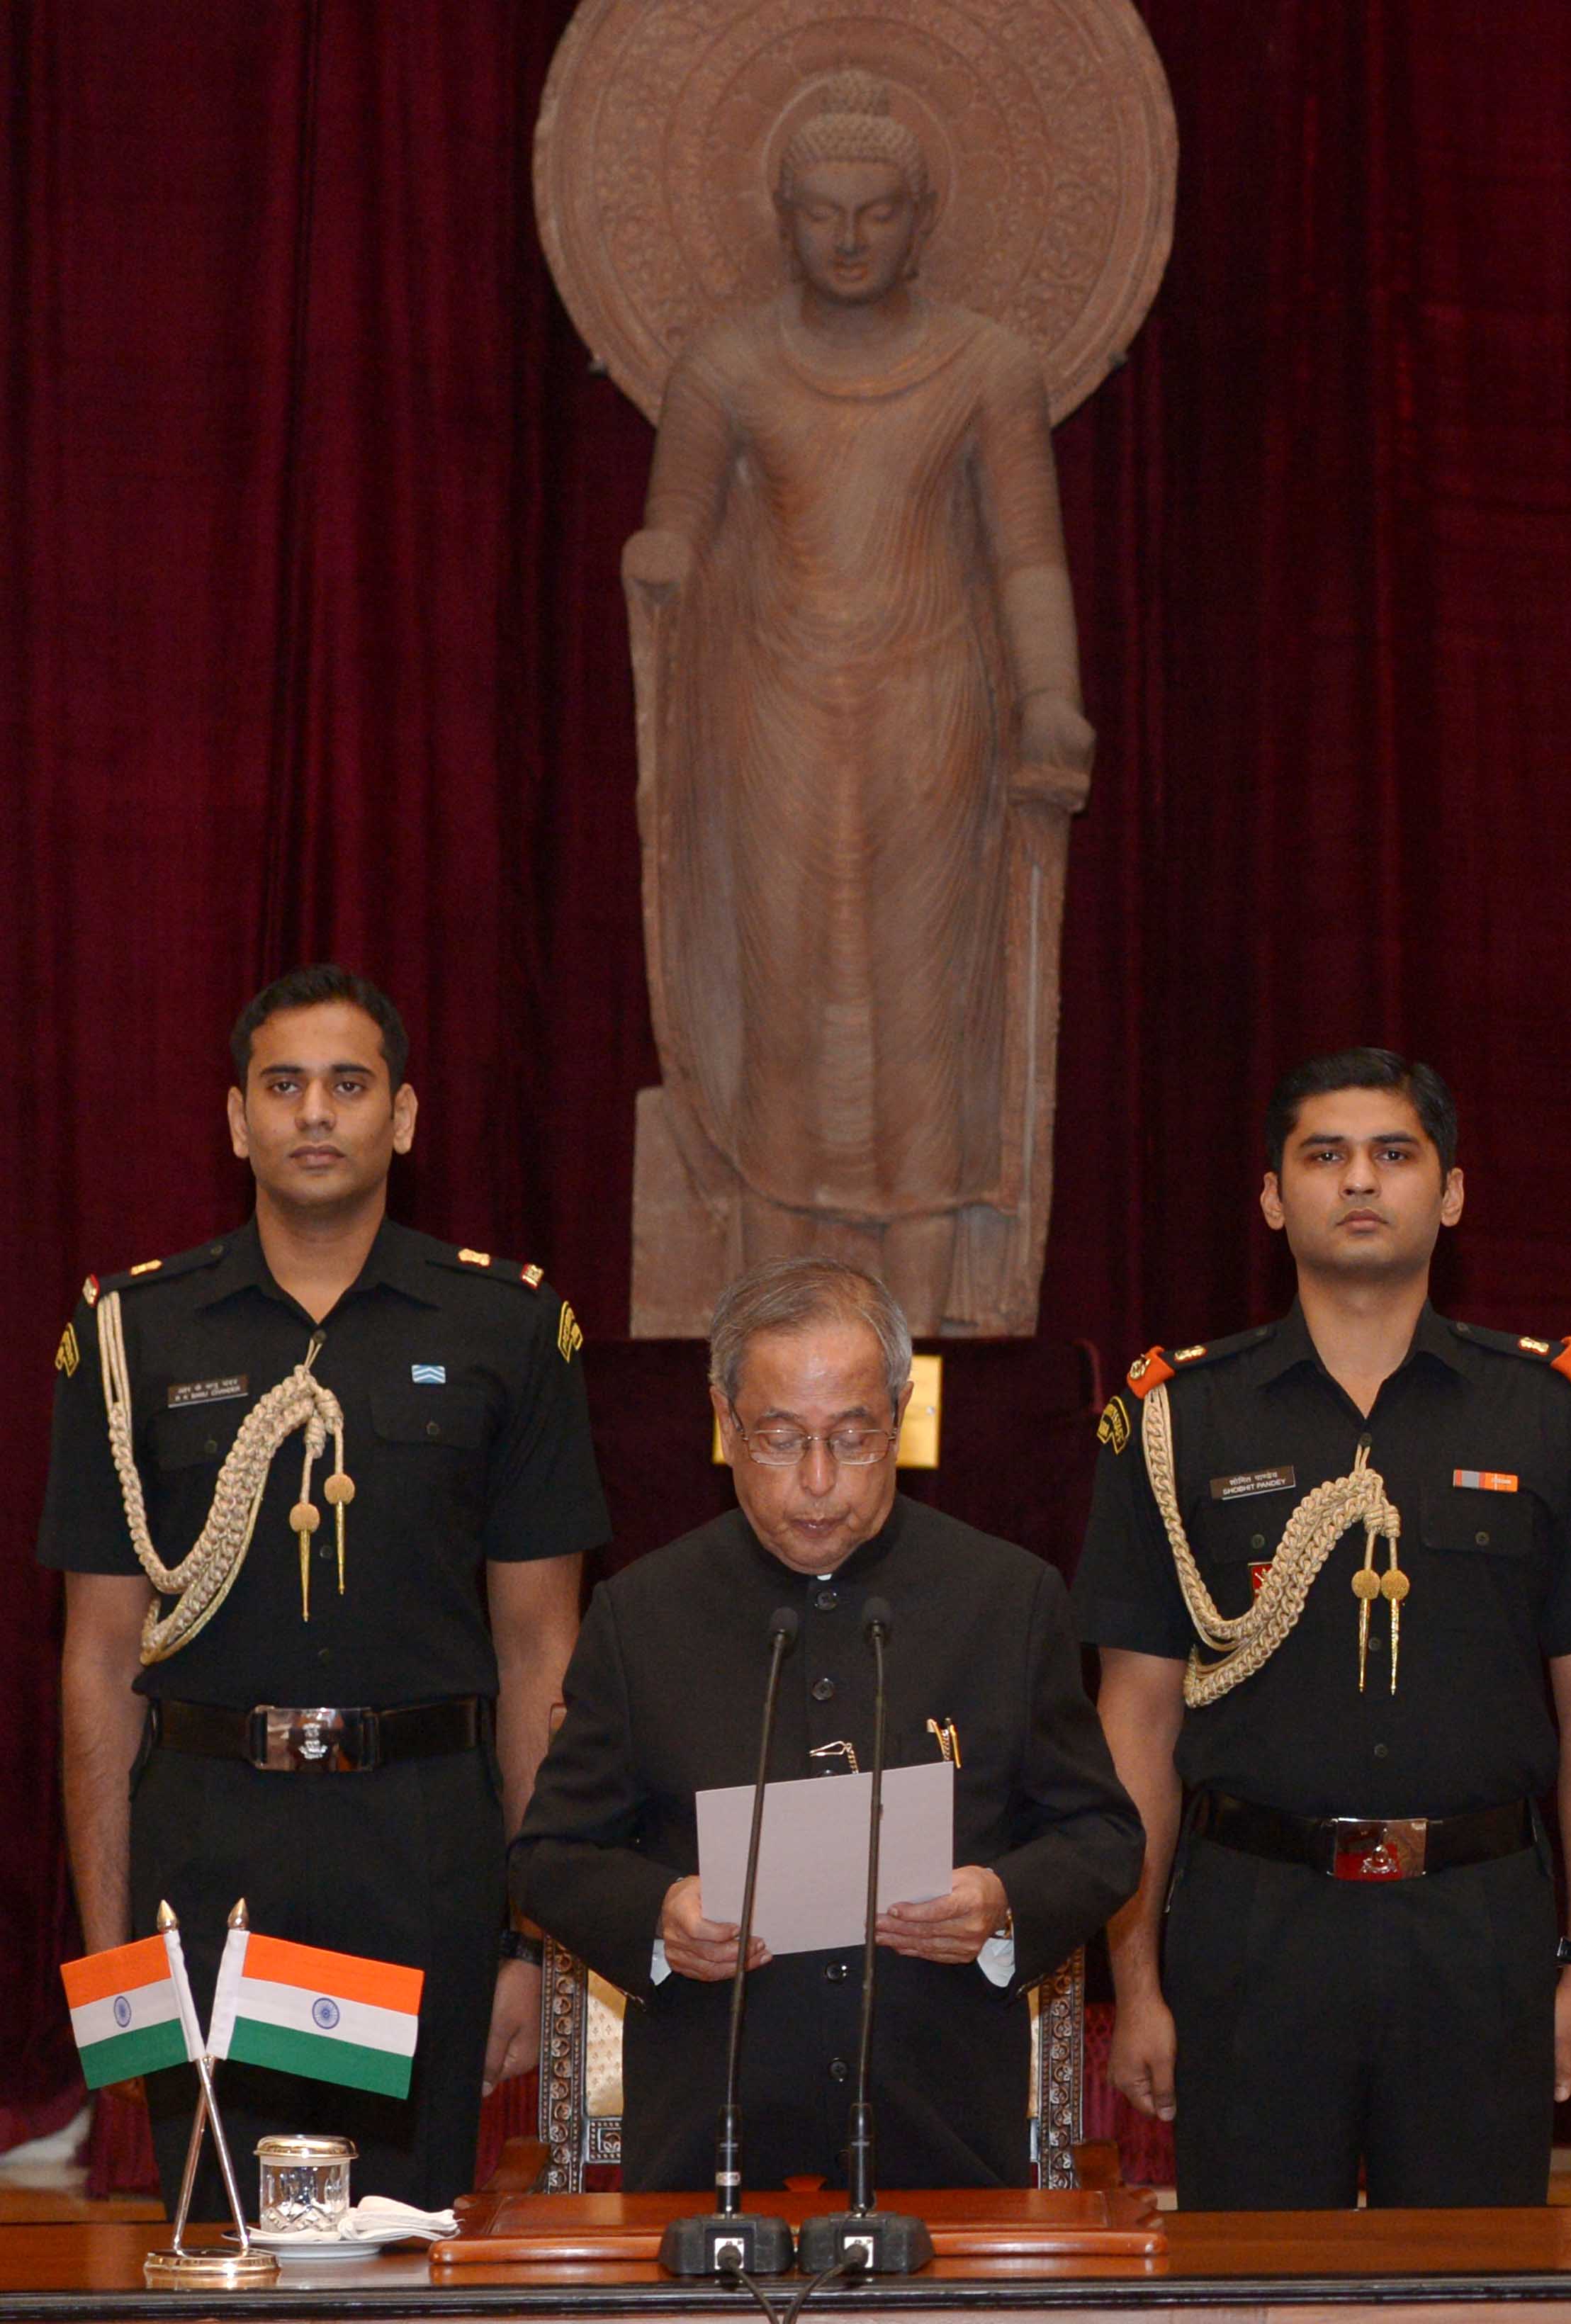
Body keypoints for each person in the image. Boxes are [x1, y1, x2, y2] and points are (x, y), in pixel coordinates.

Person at [42, 966, 607, 2209]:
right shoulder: (133, 1336)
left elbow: (539, 1662)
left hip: (423, 1854)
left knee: (404, 2241)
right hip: (209, 1852)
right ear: (235, 1120)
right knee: (223, 2242)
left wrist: (532, 1941)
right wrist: (110, 1951)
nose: (314, 1114)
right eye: (281, 1085)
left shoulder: (503, 1328)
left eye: (347, 1086)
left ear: (401, 1118)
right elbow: (95, 1661)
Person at [1077, 1050, 1571, 2211]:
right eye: (1325, 1156)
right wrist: (1135, 1980)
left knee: (1472, 2288)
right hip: (1251, 1925)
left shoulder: (1551, 1411)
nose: (1361, 1181)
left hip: (1478, 1925)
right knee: (1247, 2290)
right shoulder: (1174, 1423)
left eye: (1394, 1155)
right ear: (1270, 1196)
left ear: (1448, 1193)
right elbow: (1133, 1720)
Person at [625, 69, 1094, 1336]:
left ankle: (934, 1338)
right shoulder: (722, 365)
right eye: (821, 213)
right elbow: (672, 530)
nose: (845, 239)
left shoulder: (987, 366)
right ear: (779, 216)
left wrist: (1049, 696)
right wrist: (660, 563)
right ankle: (771, 1333)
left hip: (933, 720)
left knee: (926, 1018)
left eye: (875, 213)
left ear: (921, 215)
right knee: (779, 1013)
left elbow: (1025, 559)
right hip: (770, 718)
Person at [512, 1258, 1141, 2191]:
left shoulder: (1007, 1601)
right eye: (779, 1439)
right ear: (726, 1423)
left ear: (900, 1416)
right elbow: (549, 1856)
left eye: (852, 1439)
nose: (817, 1482)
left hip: (947, 2135)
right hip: (706, 2142)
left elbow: (1102, 1838)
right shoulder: (641, 1616)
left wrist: (1000, 1901)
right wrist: (658, 1917)